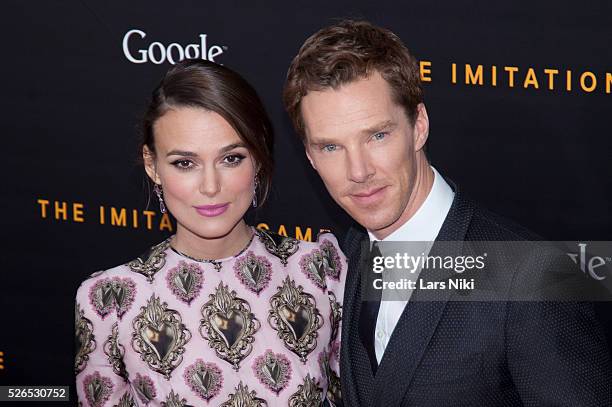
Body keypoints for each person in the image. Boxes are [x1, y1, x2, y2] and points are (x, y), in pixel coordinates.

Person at [283, 20, 611, 406]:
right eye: (331, 148)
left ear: (418, 126)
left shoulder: (532, 278)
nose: (359, 171)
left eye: (377, 135)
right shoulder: (347, 256)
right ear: (309, 156)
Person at [75, 59, 345, 406]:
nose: (211, 186)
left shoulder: (320, 270)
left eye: (231, 158)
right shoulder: (108, 300)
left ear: (258, 159)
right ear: (152, 166)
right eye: (184, 163)